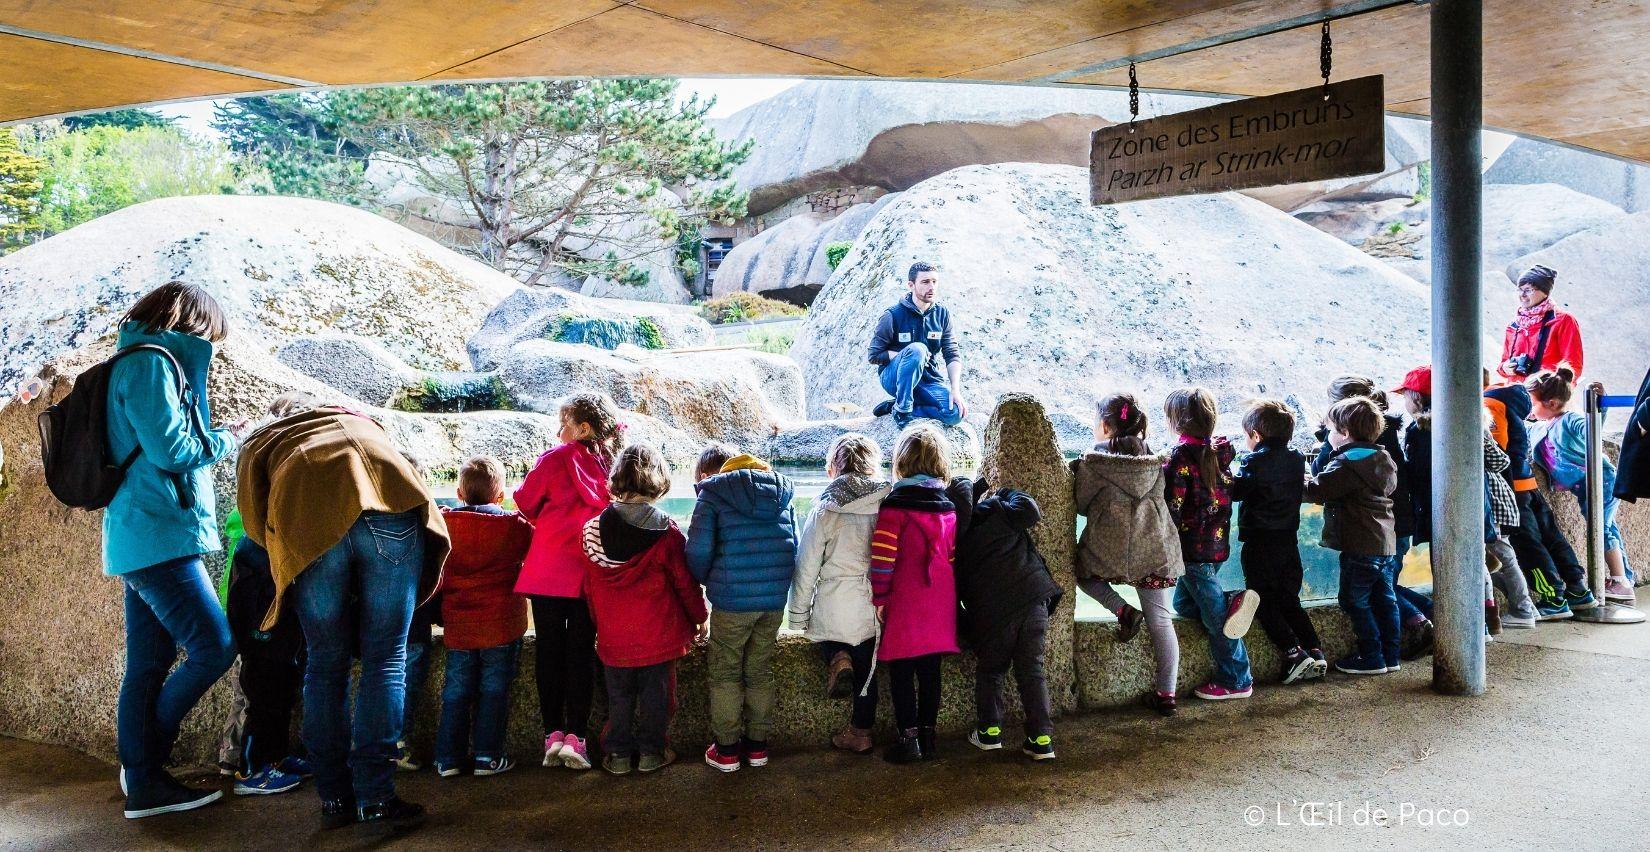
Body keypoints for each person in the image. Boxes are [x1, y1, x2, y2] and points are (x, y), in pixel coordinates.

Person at [237, 400, 449, 831]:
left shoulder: (267, 440)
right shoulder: (357, 420)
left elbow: (254, 522)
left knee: (324, 663)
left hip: (309, 523)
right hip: (388, 506)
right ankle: (376, 797)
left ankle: (335, 798)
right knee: (387, 661)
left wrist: (288, 556)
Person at [103, 282, 244, 819]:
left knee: (151, 660)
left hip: (145, 533)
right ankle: (142, 767)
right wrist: (228, 438)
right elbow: (174, 451)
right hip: (158, 534)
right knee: (214, 645)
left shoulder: (141, 360)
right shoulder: (149, 366)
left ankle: (142, 776)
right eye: (211, 332)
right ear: (192, 322)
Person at [582, 444, 709, 776]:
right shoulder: (666, 533)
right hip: (659, 638)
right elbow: (685, 584)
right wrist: (700, 617)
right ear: (660, 482)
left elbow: (590, 588)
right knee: (659, 700)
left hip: (613, 639)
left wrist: (598, 625)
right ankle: (652, 752)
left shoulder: (591, 531)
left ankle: (619, 755)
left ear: (616, 478)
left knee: (619, 699)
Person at [514, 392, 624, 771]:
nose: (558, 431)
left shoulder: (554, 458)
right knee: (580, 652)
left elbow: (525, 503)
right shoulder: (612, 466)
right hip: (588, 573)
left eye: (563, 424)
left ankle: (552, 734)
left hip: (546, 572)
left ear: (582, 428)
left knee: (548, 652)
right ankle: (577, 737)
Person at [1396, 370, 1540, 641]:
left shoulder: (1419, 430)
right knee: (1475, 565)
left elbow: (1416, 474)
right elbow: (1501, 462)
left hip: (1439, 509)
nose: (1404, 400)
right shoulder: (1471, 422)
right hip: (1475, 508)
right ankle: (1486, 624)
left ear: (1417, 398)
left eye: (1405, 394)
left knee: (1447, 569)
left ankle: (1461, 628)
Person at [687, 446, 799, 772]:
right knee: (760, 672)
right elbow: (792, 546)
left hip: (733, 602)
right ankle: (758, 748)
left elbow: (697, 552)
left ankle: (726, 752)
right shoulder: (783, 494)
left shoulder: (713, 494)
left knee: (725, 675)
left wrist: (712, 580)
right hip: (773, 601)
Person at [1071, 393, 1183, 716]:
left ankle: (1122, 610)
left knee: (1082, 574)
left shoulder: (1095, 461)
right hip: (1154, 547)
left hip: (1110, 549)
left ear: (1105, 426)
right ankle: (1167, 694)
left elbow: (1080, 503)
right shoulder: (1154, 459)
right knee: (1162, 620)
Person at [434, 456, 535, 778]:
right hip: (500, 625)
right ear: (500, 496)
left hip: (460, 626)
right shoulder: (513, 527)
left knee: (455, 691)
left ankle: (448, 758)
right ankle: (487, 757)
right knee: (494, 690)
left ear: (459, 492)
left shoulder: (444, 526)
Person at [789, 434, 890, 755]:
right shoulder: (883, 506)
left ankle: (836, 656)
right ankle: (860, 733)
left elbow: (806, 567)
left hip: (832, 604)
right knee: (867, 673)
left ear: (833, 467)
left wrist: (797, 615)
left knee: (824, 635)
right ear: (872, 467)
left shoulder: (824, 509)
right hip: (869, 606)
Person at [949, 478, 1061, 760]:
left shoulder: (953, 544)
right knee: (1032, 672)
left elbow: (953, 597)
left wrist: (969, 632)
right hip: (1032, 600)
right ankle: (1041, 739)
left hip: (992, 618)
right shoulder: (996, 511)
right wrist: (1005, 491)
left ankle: (989, 733)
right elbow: (1030, 509)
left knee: (991, 671)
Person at [873, 425, 962, 763]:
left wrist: (880, 598)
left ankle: (909, 740)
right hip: (939, 599)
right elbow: (951, 556)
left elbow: (883, 559)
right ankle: (929, 736)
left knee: (900, 669)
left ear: (902, 462)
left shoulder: (894, 506)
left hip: (905, 597)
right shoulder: (947, 507)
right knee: (930, 670)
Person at [1314, 377, 1422, 649]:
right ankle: (1393, 651)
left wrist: (1327, 443)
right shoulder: (1382, 448)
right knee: (1385, 592)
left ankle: (1377, 650)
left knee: (1360, 598)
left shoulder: (1350, 455)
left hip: (1363, 538)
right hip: (1393, 531)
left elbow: (1321, 481)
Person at [1163, 387, 1255, 701]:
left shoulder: (1180, 456)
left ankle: (1236, 679)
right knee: (1183, 605)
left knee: (1218, 621)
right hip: (1215, 546)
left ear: (1175, 423)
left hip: (1191, 550)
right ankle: (1231, 601)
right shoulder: (1220, 452)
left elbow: (1173, 504)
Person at [1484, 370, 1596, 618]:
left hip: (1511, 488)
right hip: (1528, 483)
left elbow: (1495, 447)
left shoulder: (1491, 401)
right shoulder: (1513, 396)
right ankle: (1577, 589)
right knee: (1551, 536)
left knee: (1528, 545)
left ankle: (1552, 597)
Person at [1232, 398, 1326, 684]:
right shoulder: (1297, 458)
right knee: (1289, 599)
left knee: (1260, 599)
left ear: (1256, 436)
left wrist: (1224, 473)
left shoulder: (1253, 461)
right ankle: (1315, 651)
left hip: (1260, 542)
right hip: (1288, 541)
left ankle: (1293, 652)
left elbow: (1237, 491)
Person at [1305, 397, 1400, 675]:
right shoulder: (1383, 458)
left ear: (1344, 433)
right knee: (1386, 599)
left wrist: (1297, 481)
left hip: (1360, 545)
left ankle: (1371, 656)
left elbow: (1318, 490)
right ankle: (1391, 656)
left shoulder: (1348, 463)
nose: (1329, 437)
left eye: (1331, 430)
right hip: (1385, 544)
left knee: (1353, 600)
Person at [1528, 367, 1636, 603]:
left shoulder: (1570, 420)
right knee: (1607, 527)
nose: (1530, 408)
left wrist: (1601, 407)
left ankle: (1620, 581)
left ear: (1553, 402)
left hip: (1601, 479)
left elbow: (1592, 427)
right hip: (1583, 484)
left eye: (1533, 402)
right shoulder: (1542, 424)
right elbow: (1523, 430)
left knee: (1601, 528)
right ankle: (1625, 578)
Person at [866, 261, 967, 427]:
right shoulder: (892, 315)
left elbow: (952, 353)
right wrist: (908, 356)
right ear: (911, 285)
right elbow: (874, 356)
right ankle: (903, 410)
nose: (932, 287)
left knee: (955, 413)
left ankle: (896, 406)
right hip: (894, 377)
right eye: (925, 282)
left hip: (928, 380)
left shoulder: (942, 314)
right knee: (918, 349)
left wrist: (955, 390)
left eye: (934, 282)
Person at [1498, 265, 1584, 383]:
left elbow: (1572, 367)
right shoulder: (1513, 326)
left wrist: (1553, 392)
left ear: (1545, 293)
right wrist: (1505, 368)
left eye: (1528, 290)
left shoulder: (1563, 321)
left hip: (1546, 397)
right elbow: (1502, 364)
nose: (1522, 295)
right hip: (1516, 396)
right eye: (1520, 289)